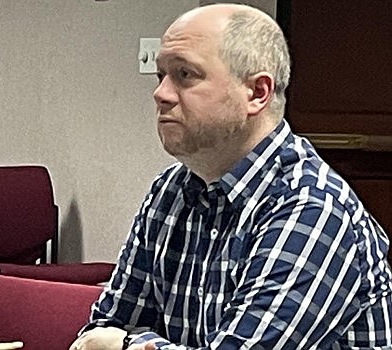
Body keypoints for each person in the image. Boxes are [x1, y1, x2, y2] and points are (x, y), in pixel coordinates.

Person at [71, 3, 392, 350]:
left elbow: (111, 340)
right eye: (160, 75)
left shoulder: (311, 207)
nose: (160, 94)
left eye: (185, 75)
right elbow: (99, 331)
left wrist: (128, 345)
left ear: (256, 93)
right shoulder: (171, 191)